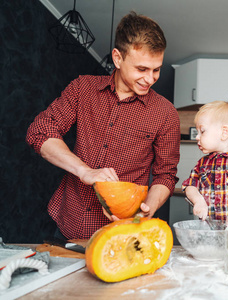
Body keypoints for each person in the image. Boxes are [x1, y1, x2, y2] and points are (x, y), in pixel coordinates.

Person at [26, 12, 180, 239]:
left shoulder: (166, 113)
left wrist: (148, 209)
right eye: (142, 69)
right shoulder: (82, 88)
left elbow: (165, 175)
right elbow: (40, 131)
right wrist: (84, 171)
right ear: (117, 58)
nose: (150, 79)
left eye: (156, 69)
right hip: (66, 223)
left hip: (120, 232)